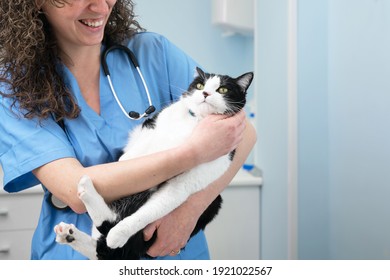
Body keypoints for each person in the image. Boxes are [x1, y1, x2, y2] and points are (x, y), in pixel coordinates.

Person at [0, 0, 256, 260]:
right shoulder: (15, 87)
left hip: (170, 253)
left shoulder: (152, 52)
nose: (101, 7)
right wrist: (194, 153)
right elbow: (74, 190)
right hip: (78, 251)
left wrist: (190, 208)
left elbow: (242, 133)